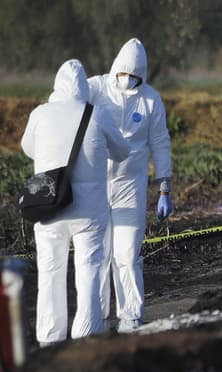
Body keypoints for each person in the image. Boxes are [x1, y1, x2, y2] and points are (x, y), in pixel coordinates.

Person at [21, 59, 130, 344]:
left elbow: (27, 148)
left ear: (57, 85)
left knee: (49, 272)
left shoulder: (40, 114)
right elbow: (122, 152)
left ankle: (49, 338)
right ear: (84, 87)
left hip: (48, 206)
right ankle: (85, 335)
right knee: (89, 271)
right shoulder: (98, 114)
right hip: (89, 212)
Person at [88, 37, 173, 332]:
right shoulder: (97, 88)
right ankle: (95, 315)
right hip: (96, 185)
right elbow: (68, 96)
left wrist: (164, 187)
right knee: (98, 255)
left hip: (130, 188)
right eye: (124, 73)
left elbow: (160, 143)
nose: (128, 80)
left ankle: (130, 314)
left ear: (142, 75)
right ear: (115, 70)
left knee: (126, 252)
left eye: (134, 76)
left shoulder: (150, 100)